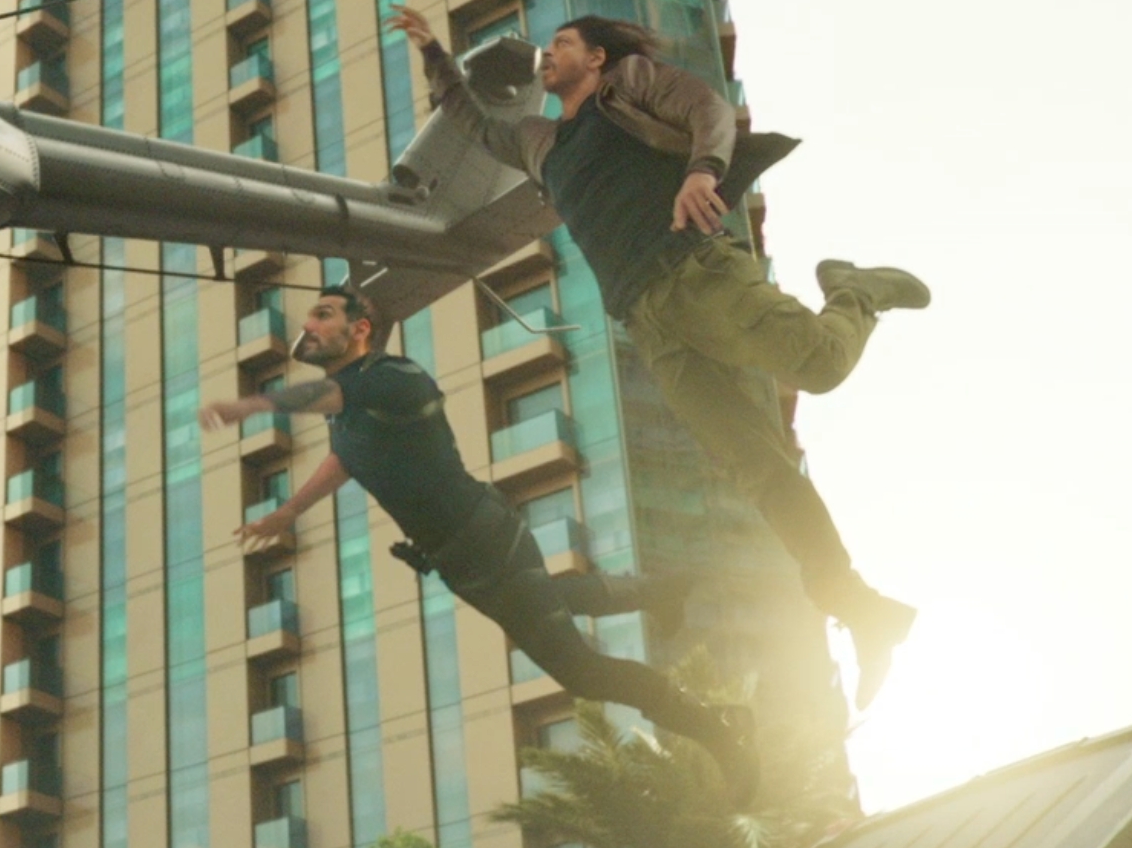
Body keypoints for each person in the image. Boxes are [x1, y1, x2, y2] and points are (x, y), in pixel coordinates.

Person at [388, 4, 926, 708]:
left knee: (819, 366)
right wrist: (432, 51)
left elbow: (707, 110)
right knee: (759, 469)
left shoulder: (629, 84)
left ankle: (854, 289)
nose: (548, 55)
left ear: (596, 58)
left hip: (693, 270)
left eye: (562, 44)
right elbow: (471, 121)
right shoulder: (538, 141)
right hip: (647, 321)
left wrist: (703, 172)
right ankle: (856, 606)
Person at [201, 285, 754, 800]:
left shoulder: (392, 378)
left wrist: (250, 407)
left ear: (361, 328)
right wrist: (287, 512)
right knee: (550, 599)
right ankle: (661, 592)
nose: (310, 325)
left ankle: (718, 727)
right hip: (461, 559)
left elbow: (331, 395)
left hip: (484, 539)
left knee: (580, 671)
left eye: (323, 315)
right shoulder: (349, 411)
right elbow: (346, 458)